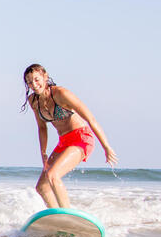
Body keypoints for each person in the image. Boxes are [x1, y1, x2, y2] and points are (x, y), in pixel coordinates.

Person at [22, 63, 117, 209]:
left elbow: (90, 119)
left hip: (81, 139)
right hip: (64, 142)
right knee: (42, 187)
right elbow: (42, 128)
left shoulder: (61, 94)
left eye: (36, 79)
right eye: (29, 82)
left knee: (53, 175)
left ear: (45, 77)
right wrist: (43, 153)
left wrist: (106, 146)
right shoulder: (33, 101)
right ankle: (57, 216)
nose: (34, 84)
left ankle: (67, 214)